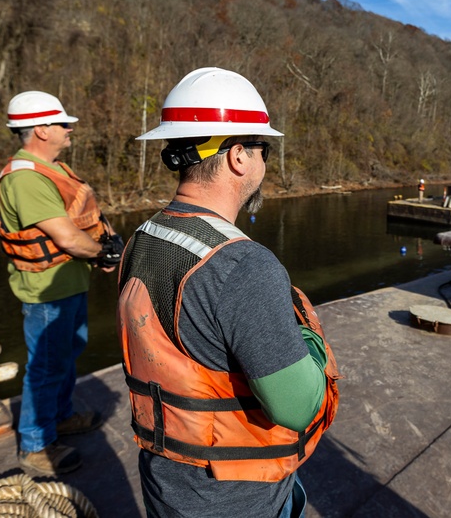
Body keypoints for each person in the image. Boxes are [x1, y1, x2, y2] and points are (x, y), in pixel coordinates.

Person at [117, 67, 340, 517]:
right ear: (239, 156)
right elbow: (297, 406)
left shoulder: (143, 238)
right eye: (264, 150)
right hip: (237, 498)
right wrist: (313, 343)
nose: (264, 163)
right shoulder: (242, 266)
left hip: (167, 483)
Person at [0, 91, 123, 475]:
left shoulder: (53, 170)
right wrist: (102, 253)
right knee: (47, 365)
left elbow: (82, 218)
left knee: (67, 353)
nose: (69, 130)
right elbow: (66, 238)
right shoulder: (25, 179)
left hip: (68, 283)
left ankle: (60, 417)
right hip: (47, 291)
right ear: (43, 129)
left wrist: (106, 241)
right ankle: (35, 445)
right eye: (64, 124)